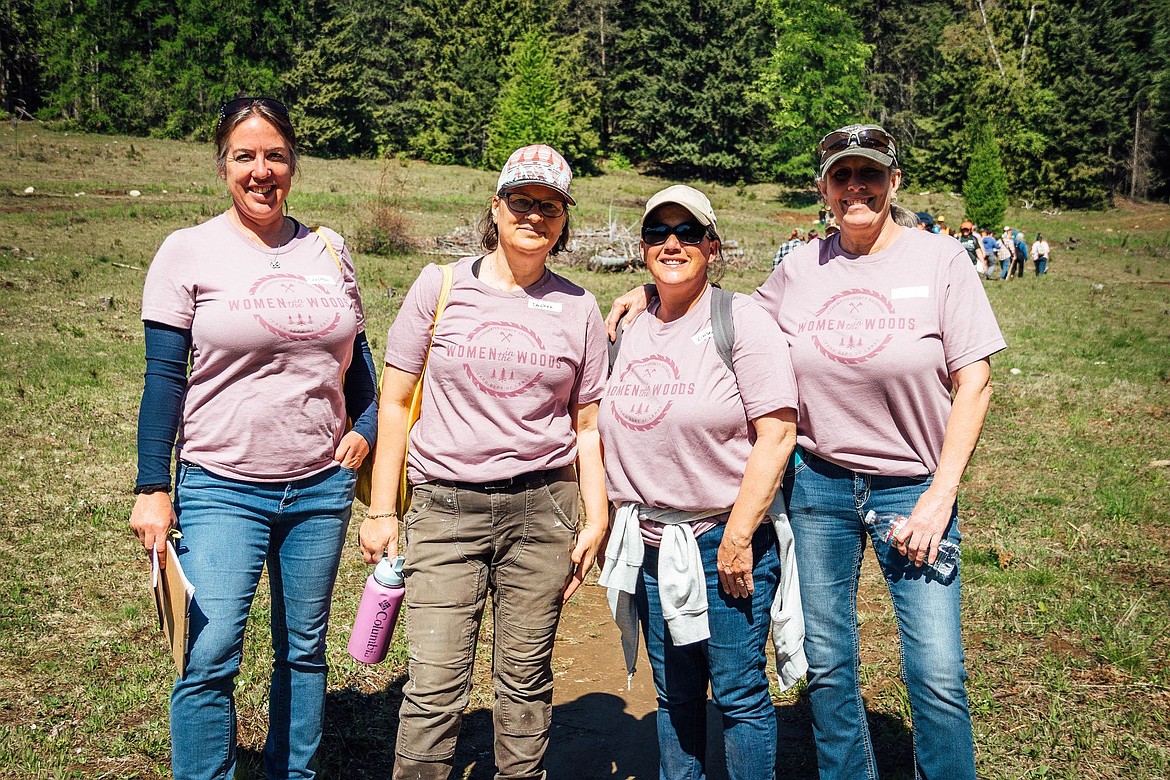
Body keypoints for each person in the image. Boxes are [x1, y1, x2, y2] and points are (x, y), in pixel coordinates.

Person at [606, 123, 1006, 780]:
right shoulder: (798, 269)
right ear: (824, 187)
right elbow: (715, 310)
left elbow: (975, 383)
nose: (856, 187)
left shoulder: (942, 262)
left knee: (934, 670)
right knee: (828, 665)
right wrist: (652, 294)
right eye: (842, 175)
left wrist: (941, 495)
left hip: (913, 487)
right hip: (819, 484)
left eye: (869, 174)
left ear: (893, 182)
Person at [129, 96, 377, 779]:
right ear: (223, 167)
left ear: (293, 162)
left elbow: (359, 359)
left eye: (274, 155)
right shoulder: (188, 251)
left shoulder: (328, 248)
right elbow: (162, 378)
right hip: (221, 485)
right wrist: (153, 487)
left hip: (320, 488)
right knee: (208, 654)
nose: (261, 171)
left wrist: (366, 425)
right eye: (245, 156)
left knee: (302, 649)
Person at [360, 144, 610, 780]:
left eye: (549, 208)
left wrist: (595, 518)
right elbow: (393, 403)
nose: (534, 216)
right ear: (496, 208)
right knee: (435, 685)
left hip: (542, 510)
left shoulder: (579, 307)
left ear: (563, 222)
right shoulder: (439, 286)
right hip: (445, 508)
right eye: (521, 202)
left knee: (524, 683)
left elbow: (588, 425)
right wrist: (383, 510)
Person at [598, 185, 801, 780]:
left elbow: (778, 435)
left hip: (722, 544)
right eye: (658, 232)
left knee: (738, 695)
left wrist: (739, 537)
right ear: (641, 249)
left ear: (712, 245)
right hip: (651, 546)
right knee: (675, 698)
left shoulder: (742, 321)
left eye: (688, 232)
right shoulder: (627, 328)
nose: (672, 242)